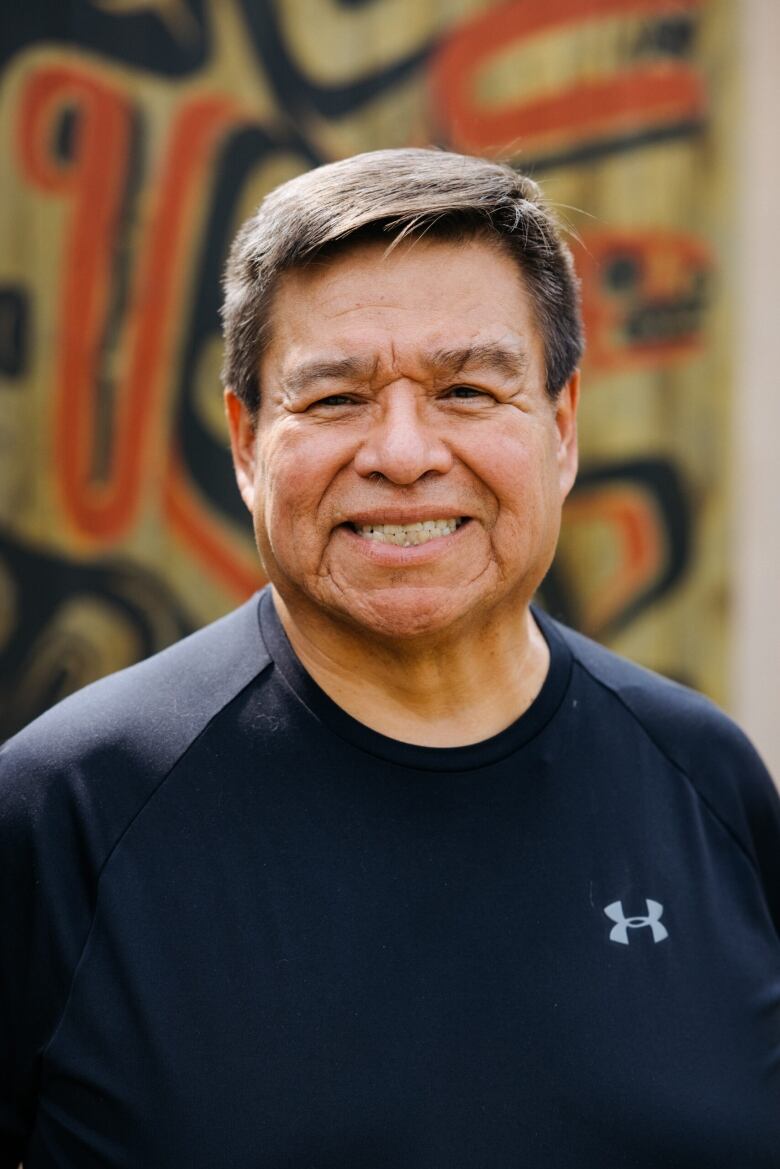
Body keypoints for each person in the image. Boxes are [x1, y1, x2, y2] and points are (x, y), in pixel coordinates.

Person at [1, 149, 778, 1169]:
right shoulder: (67, 811)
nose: (404, 452)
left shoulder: (710, 781)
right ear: (246, 443)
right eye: (335, 399)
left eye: (465, 389)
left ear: (561, 425)